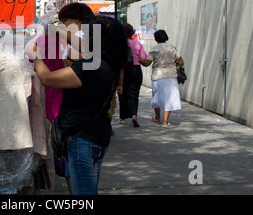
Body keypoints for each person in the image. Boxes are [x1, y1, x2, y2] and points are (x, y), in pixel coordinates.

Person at [27, 15, 127, 195]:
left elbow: (46, 78)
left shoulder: (92, 68)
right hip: (96, 135)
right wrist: (57, 31)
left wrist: (35, 55)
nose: (83, 38)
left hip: (83, 141)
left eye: (88, 35)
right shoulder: (108, 62)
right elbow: (86, 48)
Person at [139, 29, 184, 127]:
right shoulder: (172, 48)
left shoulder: (154, 48)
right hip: (171, 75)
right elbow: (181, 61)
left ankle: (157, 117)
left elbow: (147, 63)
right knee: (169, 98)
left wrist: (139, 60)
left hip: (158, 76)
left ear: (156, 39)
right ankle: (165, 121)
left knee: (157, 97)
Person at [118, 23, 147, 127]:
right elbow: (144, 57)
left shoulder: (120, 43)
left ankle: (122, 118)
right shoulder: (137, 43)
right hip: (136, 69)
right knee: (134, 94)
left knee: (122, 92)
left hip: (123, 69)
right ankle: (134, 115)